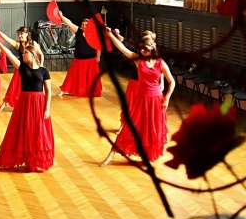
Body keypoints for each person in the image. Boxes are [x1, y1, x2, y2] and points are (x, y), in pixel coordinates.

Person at [99, 33, 175, 167]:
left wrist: (167, 98)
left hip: (156, 101)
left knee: (151, 130)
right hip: (141, 100)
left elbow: (172, 82)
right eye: (141, 49)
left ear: (152, 47)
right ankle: (111, 154)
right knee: (130, 127)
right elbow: (122, 48)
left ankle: (147, 156)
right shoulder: (138, 60)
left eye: (145, 49)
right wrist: (110, 35)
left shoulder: (160, 62)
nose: (143, 51)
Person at [0, 39, 54, 172]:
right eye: (23, 53)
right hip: (24, 104)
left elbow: (48, 91)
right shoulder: (22, 68)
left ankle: (35, 160)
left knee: (37, 132)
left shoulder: (43, 71)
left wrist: (47, 109)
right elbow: (8, 53)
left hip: (39, 103)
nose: (23, 55)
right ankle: (0, 161)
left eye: (25, 53)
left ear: (33, 55)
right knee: (18, 132)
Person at [58, 13, 103, 98]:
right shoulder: (78, 31)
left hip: (90, 60)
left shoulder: (94, 34)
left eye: (86, 25)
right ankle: (66, 90)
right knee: (73, 76)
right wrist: (61, 16)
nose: (84, 26)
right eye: (83, 24)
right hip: (78, 60)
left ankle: (89, 91)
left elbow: (98, 46)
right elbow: (69, 23)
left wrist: (98, 57)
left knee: (90, 78)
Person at [0, 25, 31, 112]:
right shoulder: (18, 44)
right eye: (18, 34)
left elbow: (41, 55)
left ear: (27, 34)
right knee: (13, 88)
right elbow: (7, 39)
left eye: (21, 34)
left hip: (30, 70)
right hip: (20, 68)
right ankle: (4, 104)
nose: (19, 36)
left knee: (27, 89)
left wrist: (40, 65)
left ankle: (25, 106)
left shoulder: (33, 44)